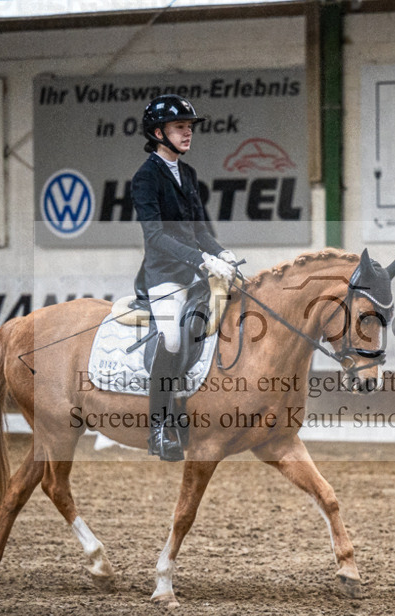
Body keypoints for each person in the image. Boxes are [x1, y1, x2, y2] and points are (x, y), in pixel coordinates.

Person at [132, 94, 237, 462]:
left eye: (189, 127)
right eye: (180, 127)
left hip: (196, 273)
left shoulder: (188, 174)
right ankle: (159, 427)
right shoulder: (145, 178)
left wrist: (221, 254)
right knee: (173, 338)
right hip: (164, 277)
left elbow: (200, 231)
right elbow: (156, 237)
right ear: (159, 132)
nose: (187, 133)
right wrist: (202, 260)